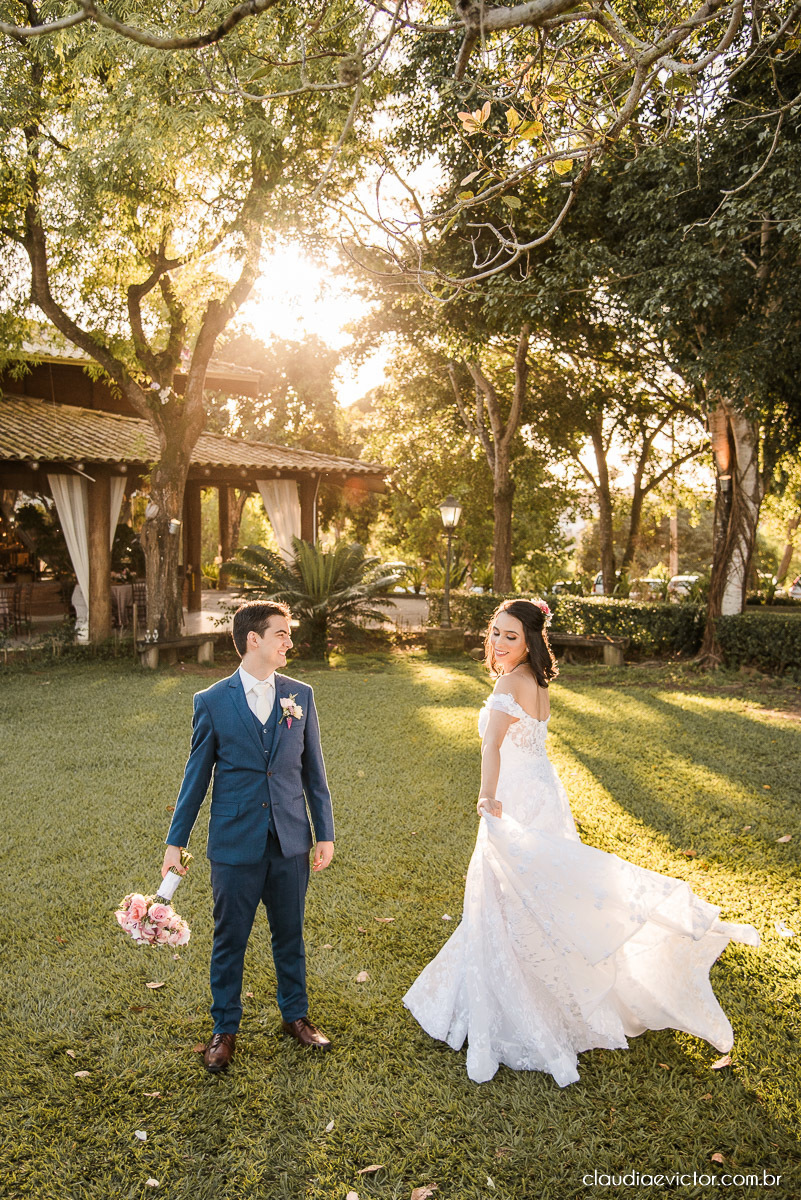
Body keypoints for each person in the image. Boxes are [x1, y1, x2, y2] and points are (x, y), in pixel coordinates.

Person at [403, 598, 759, 1085]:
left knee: (511, 896)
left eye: (511, 635)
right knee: (539, 893)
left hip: (515, 799)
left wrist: (487, 796)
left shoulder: (511, 682)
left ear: (530, 640)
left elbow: (492, 746)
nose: (499, 642)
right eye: (496, 632)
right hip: (541, 793)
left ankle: (523, 1005)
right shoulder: (536, 680)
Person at [162, 600, 335, 1073]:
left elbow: (313, 772)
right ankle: (224, 1029)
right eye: (281, 633)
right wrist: (175, 842)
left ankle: (295, 1017)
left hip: (290, 840)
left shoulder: (300, 695)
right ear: (253, 639)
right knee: (229, 939)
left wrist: (325, 833)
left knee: (290, 935)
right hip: (234, 843)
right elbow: (195, 778)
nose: (289, 641)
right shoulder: (212, 702)